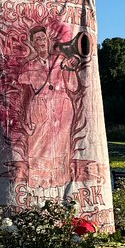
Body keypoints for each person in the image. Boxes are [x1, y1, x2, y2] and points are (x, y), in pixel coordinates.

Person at [17, 26, 80, 187]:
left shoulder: (60, 60)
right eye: (37, 39)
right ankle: (40, 183)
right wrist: (24, 115)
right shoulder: (29, 66)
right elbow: (25, 93)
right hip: (40, 106)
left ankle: (59, 181)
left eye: (43, 38)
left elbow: (72, 86)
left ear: (48, 40)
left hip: (62, 107)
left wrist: (70, 69)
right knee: (37, 144)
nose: (41, 42)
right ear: (32, 43)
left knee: (61, 145)